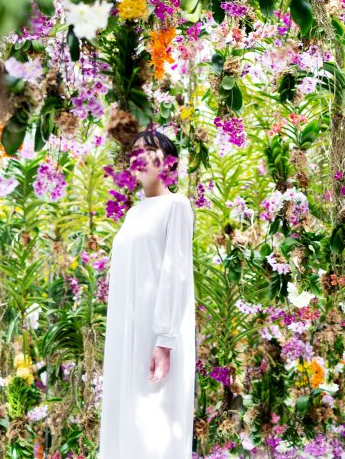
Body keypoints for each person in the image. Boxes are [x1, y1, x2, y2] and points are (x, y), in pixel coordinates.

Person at [98, 127, 196, 459]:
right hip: (127, 333)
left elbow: (176, 272)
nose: (139, 156)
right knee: (126, 417)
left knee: (156, 421)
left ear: (167, 163)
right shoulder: (133, 213)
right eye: (135, 151)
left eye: (149, 149)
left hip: (156, 336)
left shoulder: (176, 206)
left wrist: (165, 341)